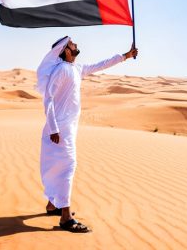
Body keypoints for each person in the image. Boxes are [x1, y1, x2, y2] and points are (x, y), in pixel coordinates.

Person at [35, 35, 138, 233]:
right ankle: (65, 218)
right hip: (59, 129)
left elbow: (101, 65)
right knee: (68, 165)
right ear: (66, 50)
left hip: (67, 128)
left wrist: (125, 56)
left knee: (58, 165)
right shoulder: (61, 70)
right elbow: (48, 99)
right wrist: (54, 128)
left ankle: (52, 205)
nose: (76, 45)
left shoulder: (76, 69)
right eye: (72, 43)